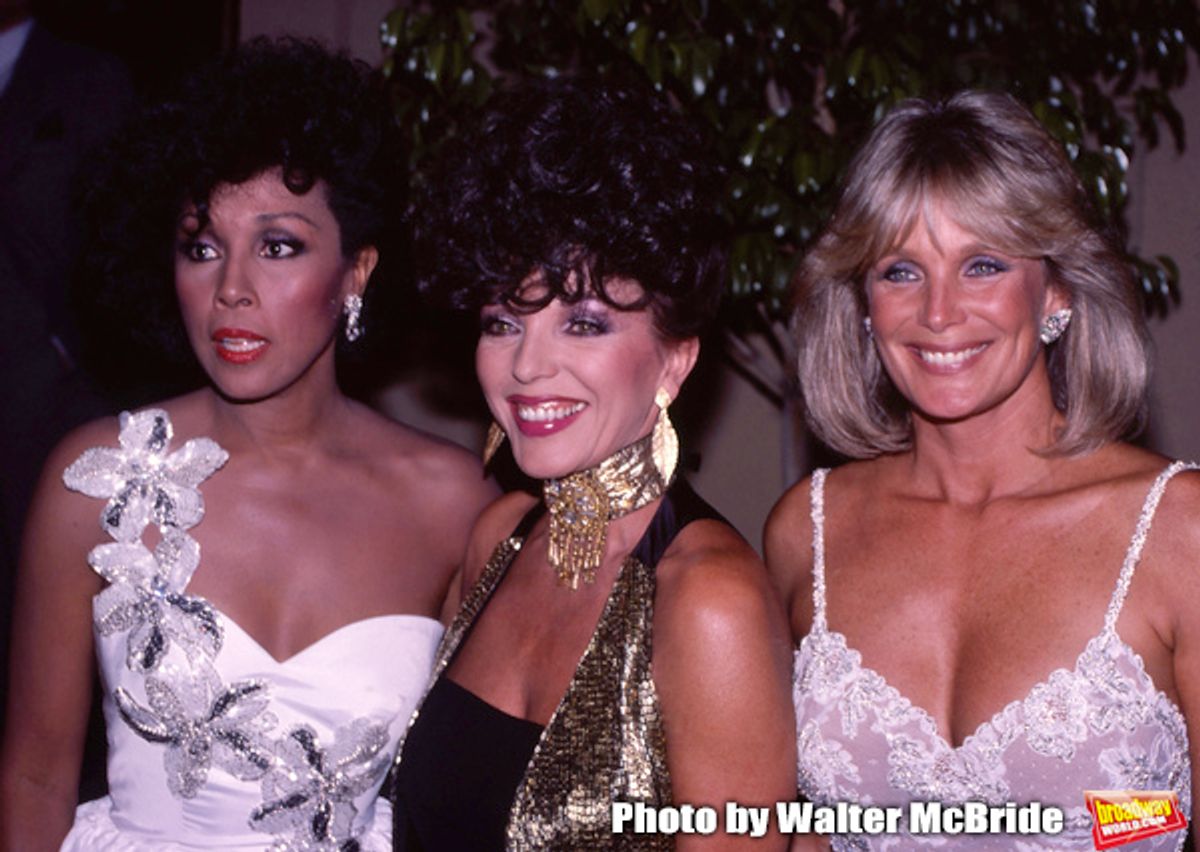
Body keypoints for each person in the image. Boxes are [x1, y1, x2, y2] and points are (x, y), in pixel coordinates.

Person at [0, 38, 496, 851]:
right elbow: (34, 776)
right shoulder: (93, 482)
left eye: (277, 246)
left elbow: (471, 791)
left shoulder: (454, 505)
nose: (231, 287)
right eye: (202, 246)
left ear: (356, 271)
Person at [765, 90, 1200, 850]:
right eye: (901, 271)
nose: (938, 313)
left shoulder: (1179, 529)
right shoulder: (808, 529)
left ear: (1056, 290)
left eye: (983, 265)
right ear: (864, 305)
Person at [390, 73, 796, 850]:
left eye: (583, 323)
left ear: (674, 361)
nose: (528, 367)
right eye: (503, 321)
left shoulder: (709, 602)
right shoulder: (500, 538)